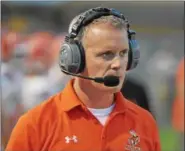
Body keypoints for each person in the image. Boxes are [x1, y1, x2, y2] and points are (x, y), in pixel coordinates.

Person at [6, 7, 161, 151]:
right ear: (76, 59)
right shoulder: (35, 124)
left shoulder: (144, 122)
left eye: (123, 53)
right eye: (106, 54)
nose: (118, 64)